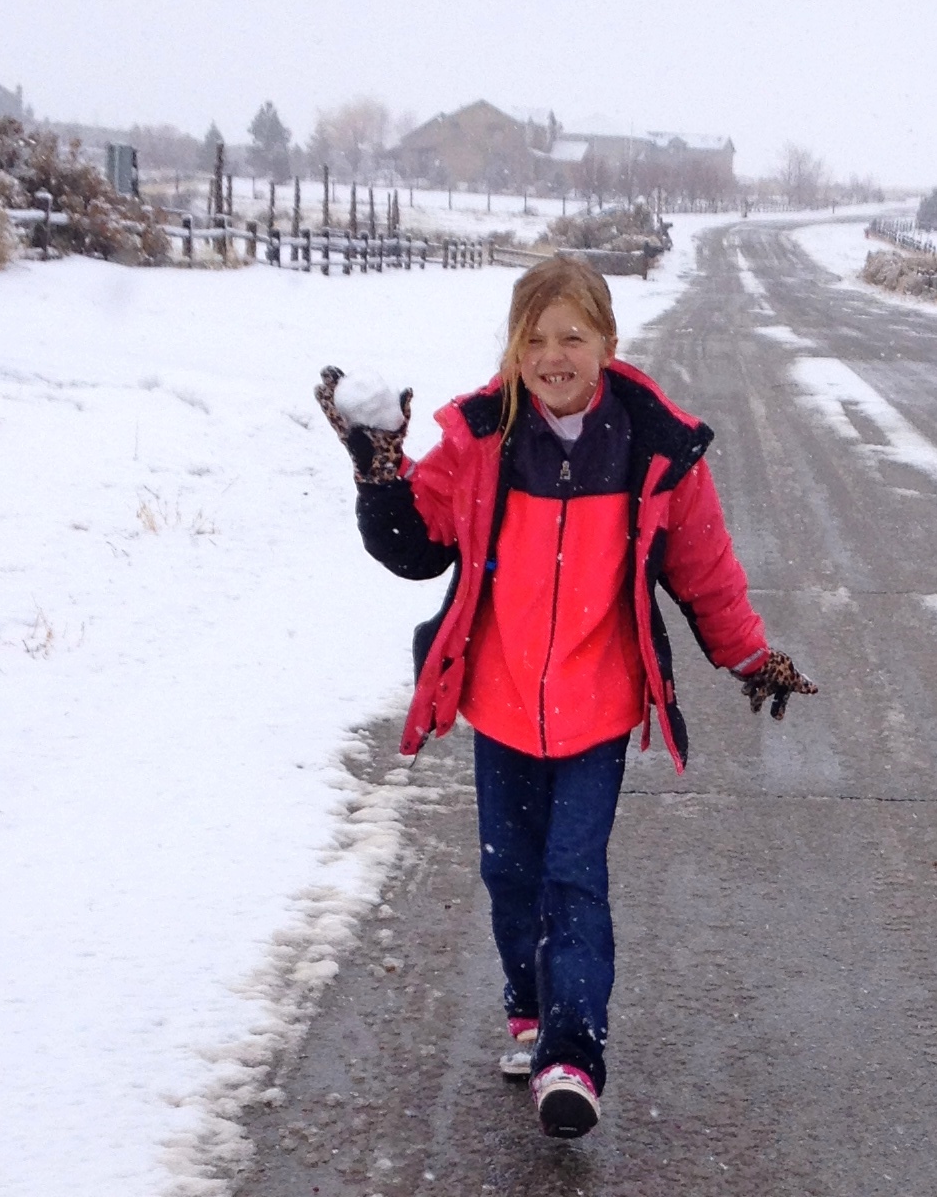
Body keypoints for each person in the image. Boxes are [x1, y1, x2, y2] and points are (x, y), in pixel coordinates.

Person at [315, 256, 816, 1141]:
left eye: (573, 337)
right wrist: (378, 465)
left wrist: (750, 657)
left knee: (572, 876)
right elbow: (415, 546)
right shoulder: (481, 439)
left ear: (608, 344)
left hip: (597, 709)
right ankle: (531, 1009)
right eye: (535, 339)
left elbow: (705, 571)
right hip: (502, 703)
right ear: (514, 350)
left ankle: (573, 1053)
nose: (554, 356)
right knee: (510, 873)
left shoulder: (653, 447)